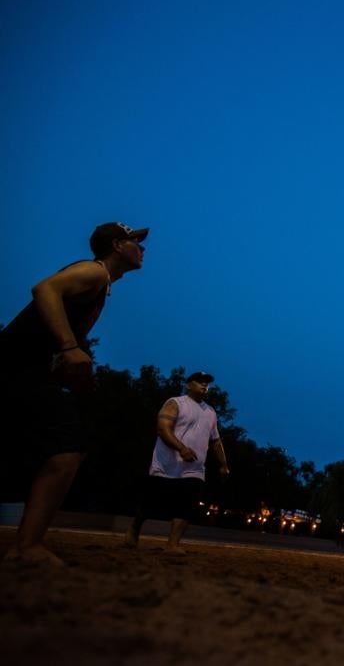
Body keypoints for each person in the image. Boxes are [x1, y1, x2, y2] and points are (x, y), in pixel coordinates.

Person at [1, 222, 148, 565]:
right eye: (135, 242)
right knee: (68, 448)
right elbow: (44, 289)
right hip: (17, 370)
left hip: (27, 372)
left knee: (46, 449)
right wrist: (69, 347)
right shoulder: (93, 272)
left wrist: (70, 365)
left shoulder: (99, 284)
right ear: (116, 245)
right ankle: (27, 547)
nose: (142, 248)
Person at [125, 371, 230, 554]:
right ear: (188, 385)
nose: (204, 385)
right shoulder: (175, 403)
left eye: (206, 382)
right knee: (150, 505)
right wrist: (181, 448)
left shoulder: (210, 411)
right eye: (199, 381)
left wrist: (223, 464)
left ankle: (172, 544)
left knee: (186, 506)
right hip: (166, 466)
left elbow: (216, 441)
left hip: (194, 469)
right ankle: (134, 529)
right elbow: (162, 428)